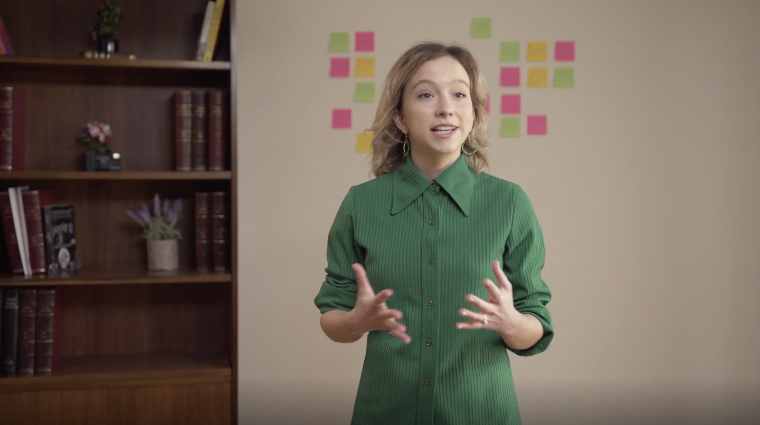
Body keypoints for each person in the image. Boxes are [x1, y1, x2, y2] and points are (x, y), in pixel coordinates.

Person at [314, 42, 554, 425]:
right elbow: (334, 315)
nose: (446, 107)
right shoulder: (361, 204)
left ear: (473, 113)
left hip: (481, 412)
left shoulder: (509, 202)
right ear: (400, 118)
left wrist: (513, 325)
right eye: (426, 94)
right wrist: (354, 322)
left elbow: (536, 323)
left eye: (459, 94)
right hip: (386, 411)